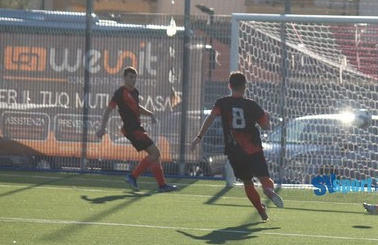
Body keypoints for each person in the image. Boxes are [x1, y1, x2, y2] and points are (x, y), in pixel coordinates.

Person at [190, 71, 283, 222]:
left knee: (247, 182)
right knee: (265, 179)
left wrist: (199, 137)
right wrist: (266, 117)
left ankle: (261, 210)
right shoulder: (252, 105)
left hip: (235, 152)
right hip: (254, 149)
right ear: (245, 86)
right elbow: (266, 126)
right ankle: (268, 189)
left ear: (229, 86)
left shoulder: (222, 103)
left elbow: (211, 117)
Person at [95, 66, 176, 193]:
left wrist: (151, 114)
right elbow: (108, 111)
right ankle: (132, 176)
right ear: (124, 78)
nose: (133, 80)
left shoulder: (135, 92)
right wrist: (102, 128)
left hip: (137, 128)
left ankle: (162, 185)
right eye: (131, 77)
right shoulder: (120, 93)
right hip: (132, 129)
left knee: (155, 156)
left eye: (135, 77)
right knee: (155, 153)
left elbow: (137, 108)